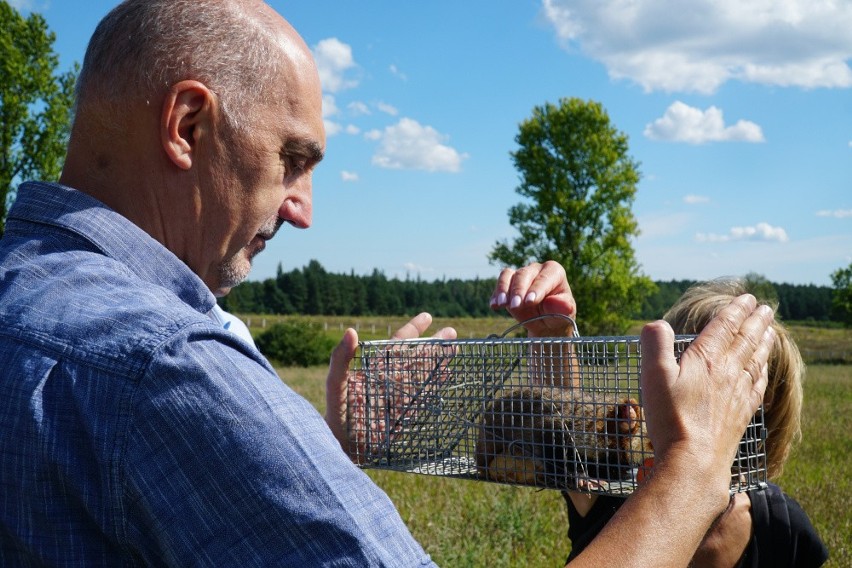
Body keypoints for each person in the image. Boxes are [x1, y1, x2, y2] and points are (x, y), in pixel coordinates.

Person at [0, 1, 775, 565]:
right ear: (188, 126)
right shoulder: (167, 367)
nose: (302, 210)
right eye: (293, 161)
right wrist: (691, 470)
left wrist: (314, 455)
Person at [562, 279, 829, 567]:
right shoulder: (611, 492)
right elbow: (563, 434)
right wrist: (556, 334)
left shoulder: (782, 525)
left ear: (760, 400)